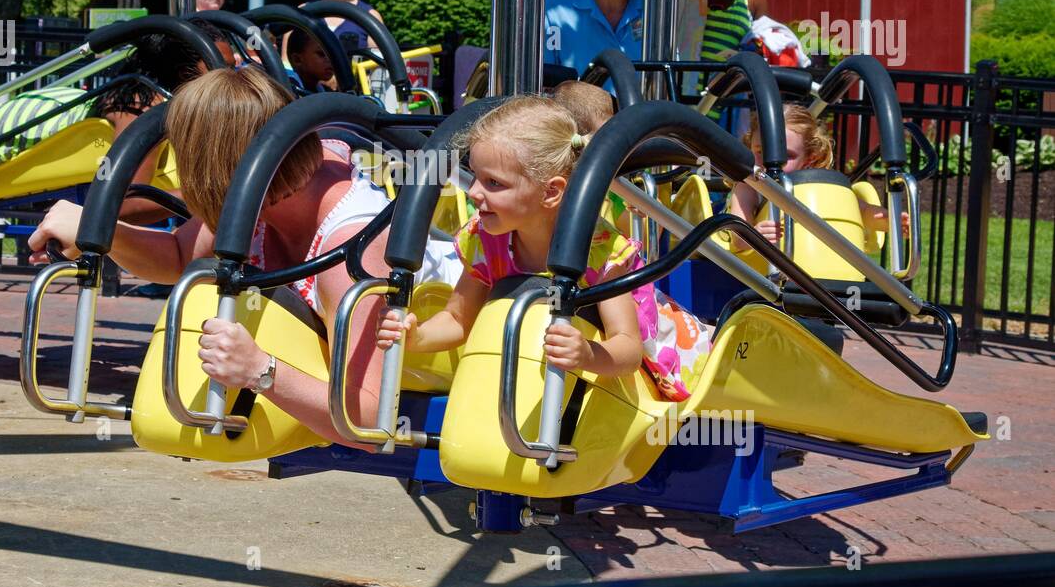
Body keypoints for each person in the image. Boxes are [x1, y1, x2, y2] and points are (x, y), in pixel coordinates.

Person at [27, 67, 460, 448]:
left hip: (444, 353)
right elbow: (181, 255)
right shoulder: (263, 189)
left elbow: (367, 421)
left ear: (213, 170)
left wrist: (260, 371)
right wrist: (97, 230)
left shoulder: (350, 250)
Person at [377, 96, 711, 403]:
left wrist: (586, 353)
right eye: (475, 176)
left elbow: (627, 348)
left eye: (493, 183)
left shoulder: (599, 252)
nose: (474, 192)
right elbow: (456, 319)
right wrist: (416, 336)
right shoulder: (485, 239)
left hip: (652, 364)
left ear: (551, 192)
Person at [0, 33, 207, 220]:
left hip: (2, 126)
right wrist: (205, 196)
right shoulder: (142, 109)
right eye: (223, 67)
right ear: (185, 74)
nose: (233, 75)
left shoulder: (144, 101)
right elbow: (122, 205)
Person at [726, 105, 910, 248]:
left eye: (785, 155)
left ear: (808, 158)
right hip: (755, 267)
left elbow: (860, 211)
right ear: (750, 147)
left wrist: (888, 221)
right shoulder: (749, 186)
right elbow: (736, 236)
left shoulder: (817, 186)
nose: (769, 161)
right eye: (760, 151)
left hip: (811, 267)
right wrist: (753, 235)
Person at [283, 28, 337, 92]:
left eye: (332, 54)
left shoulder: (327, 92)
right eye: (321, 54)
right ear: (297, 60)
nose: (331, 60)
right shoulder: (287, 91)